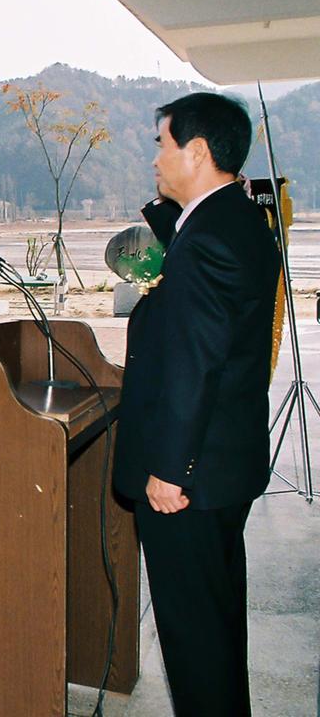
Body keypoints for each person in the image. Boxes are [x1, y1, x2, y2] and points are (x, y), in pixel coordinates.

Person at [114, 92, 279, 717]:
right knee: (213, 626)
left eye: (162, 143)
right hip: (218, 469)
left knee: (195, 642)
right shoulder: (232, 221)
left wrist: (168, 471)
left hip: (191, 478)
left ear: (198, 151)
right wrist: (168, 219)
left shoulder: (209, 241)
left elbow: (195, 365)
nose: (155, 158)